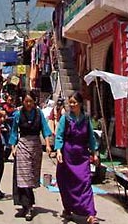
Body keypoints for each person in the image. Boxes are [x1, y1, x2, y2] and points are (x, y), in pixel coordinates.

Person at [55, 91, 99, 224]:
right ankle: (68, 208)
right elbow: (59, 135)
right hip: (67, 155)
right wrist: (58, 151)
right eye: (70, 102)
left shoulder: (86, 119)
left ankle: (90, 214)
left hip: (82, 156)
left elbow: (91, 137)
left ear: (80, 103)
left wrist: (94, 153)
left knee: (85, 183)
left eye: (74, 102)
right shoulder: (66, 118)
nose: (72, 105)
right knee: (66, 183)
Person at [9, 90, 52, 221]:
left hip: (35, 146)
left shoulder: (39, 114)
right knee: (23, 176)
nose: (28, 104)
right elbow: (14, 132)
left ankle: (27, 204)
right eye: (26, 101)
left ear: (34, 102)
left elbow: (45, 130)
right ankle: (27, 206)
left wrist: (48, 145)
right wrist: (13, 147)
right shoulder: (18, 114)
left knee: (31, 177)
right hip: (22, 145)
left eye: (31, 101)